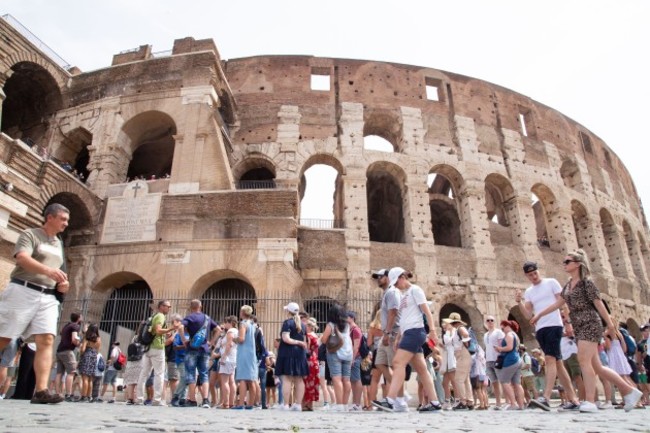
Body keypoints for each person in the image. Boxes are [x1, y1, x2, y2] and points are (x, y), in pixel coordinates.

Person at [531, 249, 643, 412]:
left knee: (583, 360)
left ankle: (590, 401)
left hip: (591, 323)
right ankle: (629, 391)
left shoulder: (586, 283)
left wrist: (610, 325)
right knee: (597, 367)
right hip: (579, 326)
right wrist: (539, 314)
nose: (564, 264)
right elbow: (557, 304)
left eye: (567, 261)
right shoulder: (568, 285)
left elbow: (598, 304)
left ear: (577, 264)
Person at [0, 203, 70, 404]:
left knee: (47, 339)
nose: (66, 223)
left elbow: (59, 270)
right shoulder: (30, 234)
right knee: (4, 337)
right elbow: (22, 258)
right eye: (63, 219)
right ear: (50, 217)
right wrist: (47, 272)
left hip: (47, 296)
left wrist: (63, 284)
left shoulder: (59, 243)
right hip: (23, 288)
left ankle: (41, 391)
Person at [373, 267, 441, 413]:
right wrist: (398, 337)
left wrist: (433, 331)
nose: (395, 286)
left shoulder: (415, 290)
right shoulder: (403, 295)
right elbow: (404, 319)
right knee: (422, 369)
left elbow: (427, 312)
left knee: (398, 362)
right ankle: (435, 402)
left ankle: (390, 400)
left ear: (402, 277)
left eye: (396, 282)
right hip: (408, 332)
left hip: (415, 331)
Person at [515, 260, 580, 411]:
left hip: (554, 324)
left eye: (535, 273)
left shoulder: (551, 282)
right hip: (541, 328)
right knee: (558, 362)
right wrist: (519, 302)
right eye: (530, 275)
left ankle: (546, 397)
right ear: (526, 276)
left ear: (538, 271)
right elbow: (527, 315)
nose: (534, 276)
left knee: (550, 358)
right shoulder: (529, 291)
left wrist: (568, 323)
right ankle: (574, 400)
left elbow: (563, 303)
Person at [179, 299, 219, 408]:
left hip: (192, 348)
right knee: (204, 374)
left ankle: (192, 400)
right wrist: (212, 342)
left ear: (191, 307)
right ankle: (206, 400)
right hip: (205, 349)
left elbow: (180, 326)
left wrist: (183, 340)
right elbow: (219, 329)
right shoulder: (207, 318)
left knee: (191, 374)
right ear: (200, 306)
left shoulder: (190, 317)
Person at [136, 300, 174, 406]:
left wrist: (166, 332)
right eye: (168, 306)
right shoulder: (161, 316)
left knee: (144, 373)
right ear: (161, 306)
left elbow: (155, 331)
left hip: (148, 347)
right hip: (157, 347)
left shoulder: (153, 316)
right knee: (159, 374)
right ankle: (157, 399)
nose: (169, 308)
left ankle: (139, 398)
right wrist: (171, 328)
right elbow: (158, 330)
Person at [372, 269, 401, 400]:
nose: (378, 279)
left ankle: (400, 397)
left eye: (380, 276)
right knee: (379, 363)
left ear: (388, 277)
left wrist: (388, 333)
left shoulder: (392, 292)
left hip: (392, 334)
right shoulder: (386, 293)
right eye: (377, 277)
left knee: (395, 366)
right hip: (386, 334)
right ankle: (401, 392)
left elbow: (393, 313)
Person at [277, 302, 309, 411]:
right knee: (299, 379)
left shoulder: (287, 323)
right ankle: (298, 404)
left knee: (287, 378)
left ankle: (286, 404)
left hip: (288, 352)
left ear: (288, 312)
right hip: (300, 354)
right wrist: (300, 343)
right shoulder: (303, 325)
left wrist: (297, 342)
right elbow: (305, 341)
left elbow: (286, 338)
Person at [320, 303, 352, 412]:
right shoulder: (347, 325)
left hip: (335, 353)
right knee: (346, 380)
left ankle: (339, 405)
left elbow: (324, 340)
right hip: (348, 353)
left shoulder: (331, 325)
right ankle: (345, 404)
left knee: (336, 379)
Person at [444, 312, 473, 410]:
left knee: (458, 379)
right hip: (462, 354)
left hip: (462, 354)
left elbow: (466, 334)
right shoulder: (457, 329)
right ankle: (469, 401)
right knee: (465, 379)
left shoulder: (460, 328)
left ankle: (463, 401)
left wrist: (464, 346)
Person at [494, 320, 525, 410]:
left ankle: (513, 403)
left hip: (510, 360)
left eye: (502, 327)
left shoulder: (509, 335)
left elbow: (509, 347)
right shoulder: (515, 335)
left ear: (506, 326)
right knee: (517, 383)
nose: (502, 329)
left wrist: (499, 348)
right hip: (517, 359)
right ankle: (521, 405)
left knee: (504, 382)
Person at [233, 305, 258, 409]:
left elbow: (242, 339)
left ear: (242, 312)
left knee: (243, 378)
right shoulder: (253, 324)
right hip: (252, 353)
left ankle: (240, 404)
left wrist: (235, 339)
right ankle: (250, 404)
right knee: (251, 379)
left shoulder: (243, 324)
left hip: (244, 352)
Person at [55, 312, 82, 400]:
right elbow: (74, 339)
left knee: (59, 373)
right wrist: (79, 345)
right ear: (78, 318)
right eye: (81, 316)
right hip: (67, 351)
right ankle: (68, 394)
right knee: (71, 373)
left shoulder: (66, 326)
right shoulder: (75, 326)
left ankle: (58, 393)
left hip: (59, 350)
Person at [483, 315, 504, 409]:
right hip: (489, 360)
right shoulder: (485, 335)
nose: (490, 322)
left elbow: (501, 344)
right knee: (494, 382)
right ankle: (498, 402)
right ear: (486, 322)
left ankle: (508, 401)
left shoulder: (498, 332)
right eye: (488, 320)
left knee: (503, 381)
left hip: (497, 359)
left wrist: (500, 356)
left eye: (492, 320)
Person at [217, 315, 238, 409]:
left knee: (225, 381)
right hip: (233, 358)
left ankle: (226, 403)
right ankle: (231, 402)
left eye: (226, 322)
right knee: (232, 380)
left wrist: (223, 357)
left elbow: (229, 344)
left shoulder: (230, 331)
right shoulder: (236, 331)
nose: (224, 324)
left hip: (228, 358)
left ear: (229, 323)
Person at [78, 323, 101, 402]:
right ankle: (89, 396)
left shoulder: (87, 337)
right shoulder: (98, 338)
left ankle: (83, 396)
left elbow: (83, 349)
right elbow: (98, 350)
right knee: (90, 378)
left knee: (85, 378)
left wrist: (81, 353)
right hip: (94, 356)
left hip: (86, 356)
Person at [347, 311, 364, 411]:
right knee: (353, 380)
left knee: (356, 380)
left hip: (356, 357)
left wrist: (352, 359)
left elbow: (356, 346)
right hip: (352, 357)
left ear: (352, 318)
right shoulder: (350, 329)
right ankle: (355, 402)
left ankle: (357, 403)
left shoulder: (356, 330)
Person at [302, 317, 320, 411]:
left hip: (307, 360)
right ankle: (310, 405)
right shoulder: (316, 335)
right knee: (313, 383)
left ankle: (304, 404)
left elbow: (306, 348)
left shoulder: (308, 336)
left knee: (305, 382)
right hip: (314, 360)